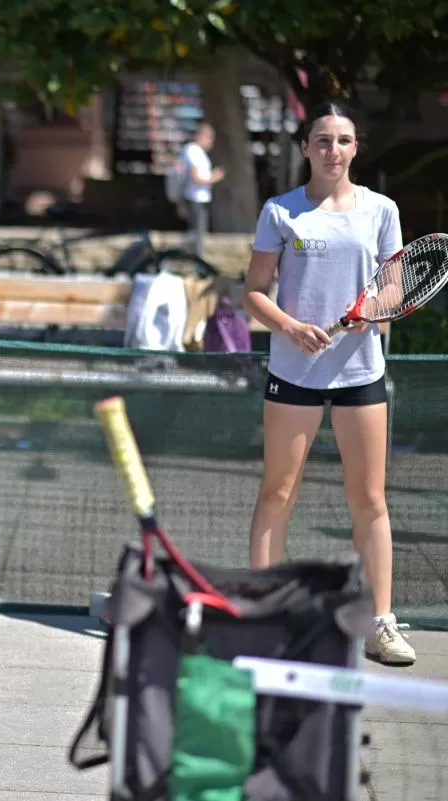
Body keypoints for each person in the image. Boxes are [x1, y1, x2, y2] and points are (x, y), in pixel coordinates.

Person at [243, 101, 415, 666]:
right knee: (277, 492)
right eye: (322, 140)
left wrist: (374, 311)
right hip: (293, 373)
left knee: (369, 498)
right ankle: (264, 616)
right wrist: (291, 327)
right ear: (305, 148)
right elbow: (254, 293)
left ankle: (380, 623)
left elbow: (394, 288)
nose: (332, 150)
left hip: (361, 373)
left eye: (343, 140)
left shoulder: (381, 210)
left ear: (355, 148)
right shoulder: (280, 211)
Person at [179, 122, 225, 258]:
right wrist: (214, 177)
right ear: (200, 136)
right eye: (209, 138)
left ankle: (194, 258)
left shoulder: (197, 152)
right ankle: (195, 260)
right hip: (194, 198)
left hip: (199, 197)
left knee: (198, 233)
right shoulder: (193, 151)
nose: (211, 142)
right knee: (196, 234)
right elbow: (196, 178)